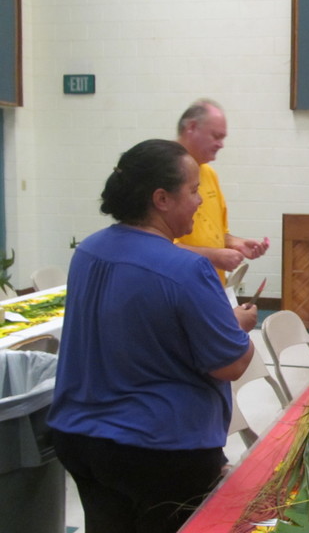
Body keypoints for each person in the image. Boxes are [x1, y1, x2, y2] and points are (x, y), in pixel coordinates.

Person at [48, 139, 258, 533]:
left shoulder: (89, 251)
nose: (199, 201)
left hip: (80, 437)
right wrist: (238, 326)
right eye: (193, 191)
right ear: (161, 198)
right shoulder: (186, 268)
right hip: (158, 449)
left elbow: (136, 325)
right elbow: (229, 364)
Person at [175, 98, 268, 284]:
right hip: (180, 285)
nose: (221, 145)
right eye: (216, 136)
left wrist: (236, 243)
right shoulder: (163, 175)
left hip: (210, 284)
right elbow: (156, 246)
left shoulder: (209, 174)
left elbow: (218, 234)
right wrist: (212, 256)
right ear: (191, 127)